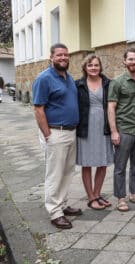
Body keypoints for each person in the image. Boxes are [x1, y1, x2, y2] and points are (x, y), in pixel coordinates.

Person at [32, 43, 82, 229]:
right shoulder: (44, 78)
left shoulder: (68, 77)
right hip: (55, 132)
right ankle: (54, 212)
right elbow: (38, 109)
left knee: (67, 171)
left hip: (71, 131)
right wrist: (47, 134)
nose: (63, 58)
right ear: (51, 57)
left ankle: (62, 204)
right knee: (55, 173)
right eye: (59, 55)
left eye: (66, 55)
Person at [108, 47, 135, 212]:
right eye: (130, 59)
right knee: (120, 167)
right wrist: (114, 131)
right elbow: (111, 107)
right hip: (124, 129)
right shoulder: (117, 82)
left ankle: (134, 193)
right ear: (124, 61)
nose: (133, 62)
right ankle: (121, 198)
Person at [76, 54, 114, 210]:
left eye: (96, 65)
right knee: (87, 163)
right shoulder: (78, 84)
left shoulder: (108, 83)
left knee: (102, 162)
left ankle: (97, 194)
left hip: (103, 125)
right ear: (85, 67)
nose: (93, 68)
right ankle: (90, 197)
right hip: (85, 126)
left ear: (100, 67)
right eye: (90, 65)